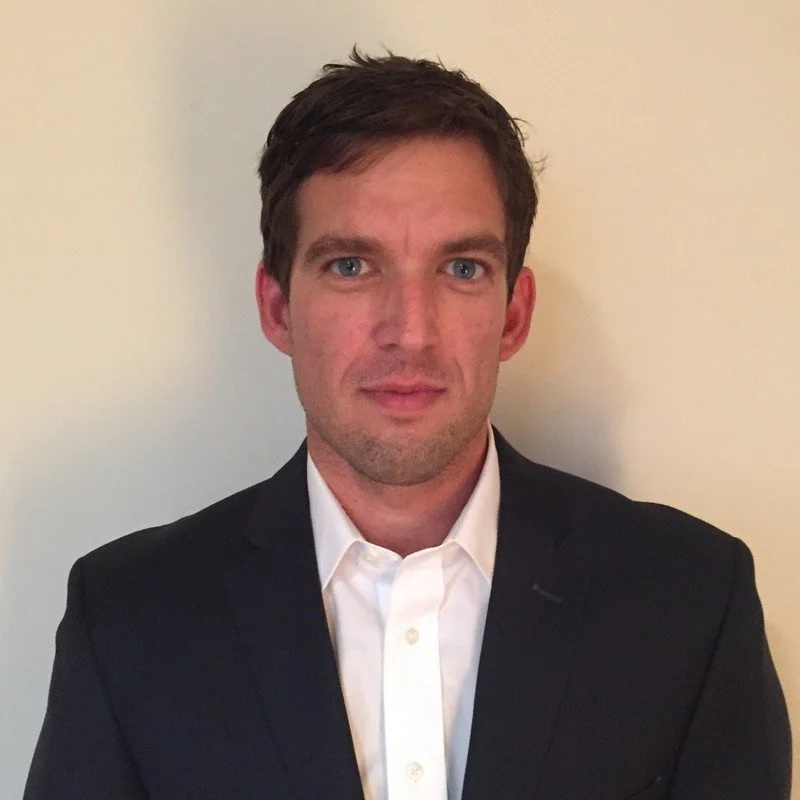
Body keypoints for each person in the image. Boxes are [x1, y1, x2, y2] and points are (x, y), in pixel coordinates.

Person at [25, 49, 791, 800]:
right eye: (351, 266)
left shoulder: (690, 599)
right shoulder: (128, 617)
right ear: (277, 307)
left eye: (461, 268)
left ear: (514, 314)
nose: (410, 331)